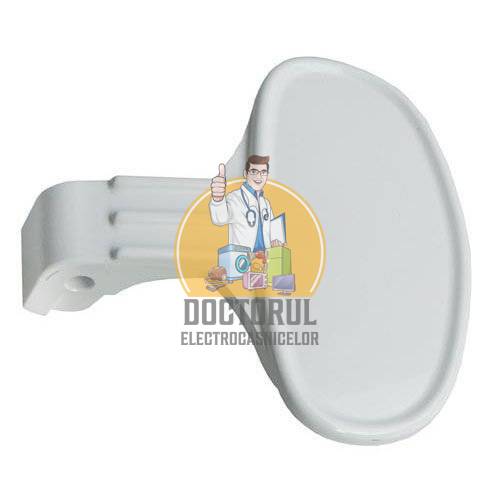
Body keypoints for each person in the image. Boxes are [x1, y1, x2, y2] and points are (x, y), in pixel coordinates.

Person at [209, 155, 282, 251]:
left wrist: (276, 241)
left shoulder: (266, 203)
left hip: (265, 258)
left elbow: (273, 232)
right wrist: (218, 200)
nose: (259, 176)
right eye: (254, 172)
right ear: (245, 173)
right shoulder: (235, 198)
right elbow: (220, 219)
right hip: (242, 258)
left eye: (263, 172)